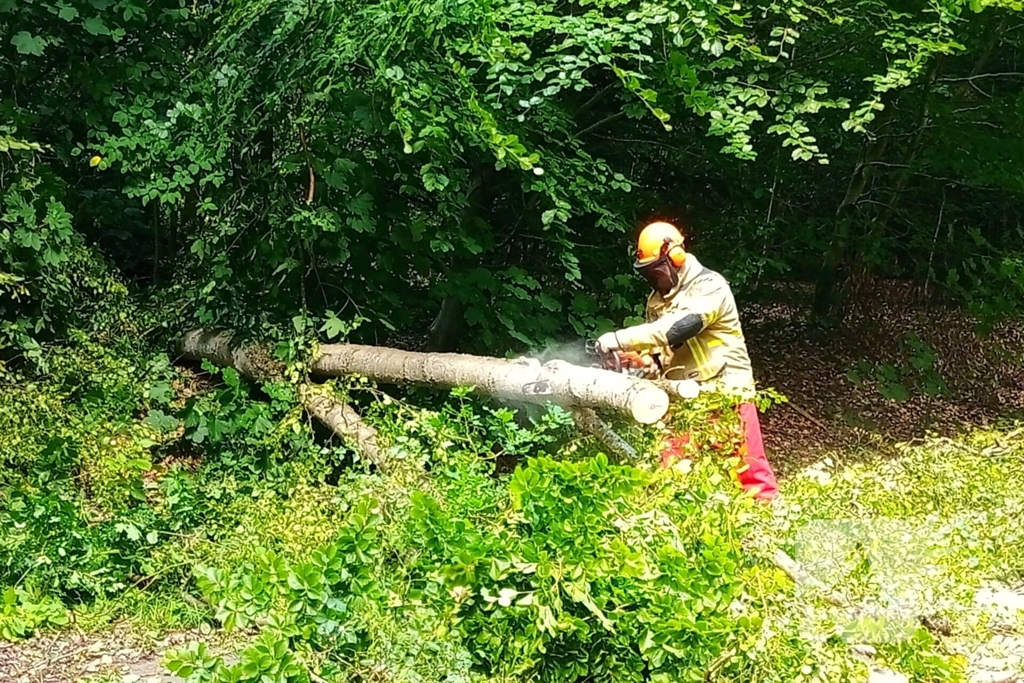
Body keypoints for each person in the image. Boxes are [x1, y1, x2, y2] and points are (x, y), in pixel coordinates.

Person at [596, 221, 779, 501]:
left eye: (656, 270)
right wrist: (639, 361)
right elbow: (661, 352)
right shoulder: (657, 301)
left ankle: (771, 518)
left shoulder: (709, 286)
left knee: (750, 471)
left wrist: (619, 338)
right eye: (647, 272)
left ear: (676, 256)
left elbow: (681, 327)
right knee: (672, 469)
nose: (653, 278)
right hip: (684, 395)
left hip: (725, 390)